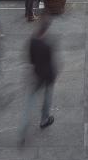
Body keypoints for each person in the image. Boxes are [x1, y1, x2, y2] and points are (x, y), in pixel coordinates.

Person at [17, 17, 58, 145]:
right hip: (47, 76)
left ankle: (23, 130)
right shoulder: (48, 44)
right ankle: (44, 119)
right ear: (46, 30)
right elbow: (51, 62)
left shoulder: (32, 40)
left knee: (29, 104)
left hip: (35, 75)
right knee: (47, 97)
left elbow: (30, 59)